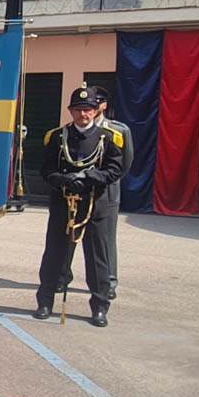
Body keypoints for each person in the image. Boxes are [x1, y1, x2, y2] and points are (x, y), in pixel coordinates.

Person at [33, 85, 124, 327]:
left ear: (96, 110)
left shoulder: (108, 137)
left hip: (94, 205)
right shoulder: (57, 137)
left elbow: (115, 169)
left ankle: (100, 307)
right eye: (78, 109)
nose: (83, 114)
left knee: (97, 259)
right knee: (54, 255)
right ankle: (45, 302)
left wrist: (90, 177)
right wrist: (64, 180)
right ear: (70, 111)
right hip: (64, 204)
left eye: (88, 109)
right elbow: (47, 169)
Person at [94, 86, 132, 301]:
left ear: (104, 105)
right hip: (80, 192)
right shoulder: (73, 129)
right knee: (70, 234)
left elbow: (125, 163)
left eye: (98, 101)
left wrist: (107, 180)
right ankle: (63, 276)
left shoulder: (119, 130)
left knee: (106, 237)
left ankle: (108, 280)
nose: (93, 105)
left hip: (107, 192)